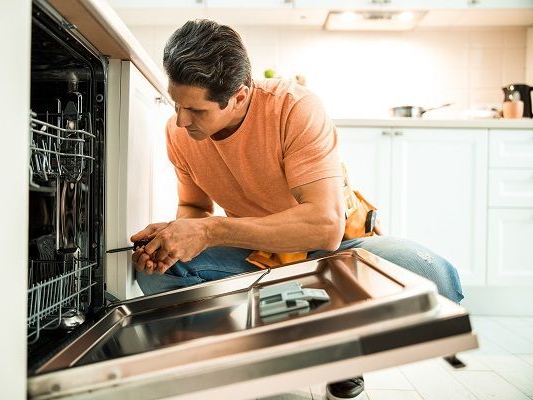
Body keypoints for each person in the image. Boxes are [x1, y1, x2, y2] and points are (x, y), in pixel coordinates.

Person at [130, 19, 463, 400]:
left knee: (430, 273)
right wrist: (179, 239)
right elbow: (193, 205)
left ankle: (342, 352)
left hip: (332, 250)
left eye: (196, 110)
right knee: (158, 273)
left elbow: (324, 227)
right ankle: (260, 348)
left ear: (239, 97)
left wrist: (209, 232)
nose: (181, 120)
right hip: (256, 253)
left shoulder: (294, 108)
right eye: (177, 104)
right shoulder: (180, 132)